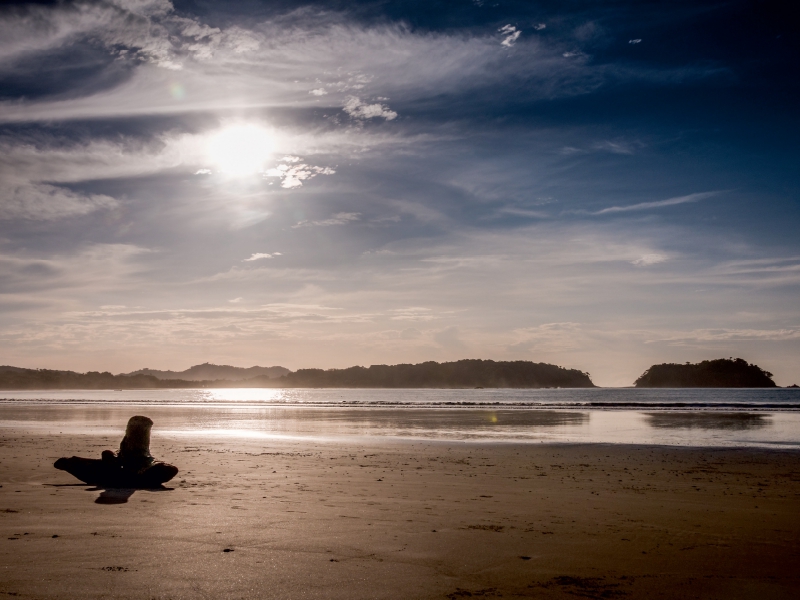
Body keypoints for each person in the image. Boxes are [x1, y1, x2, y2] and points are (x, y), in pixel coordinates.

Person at [54, 415, 178, 487]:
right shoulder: (128, 444)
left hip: (132, 470)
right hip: (129, 471)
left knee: (107, 456)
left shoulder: (134, 444)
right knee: (107, 455)